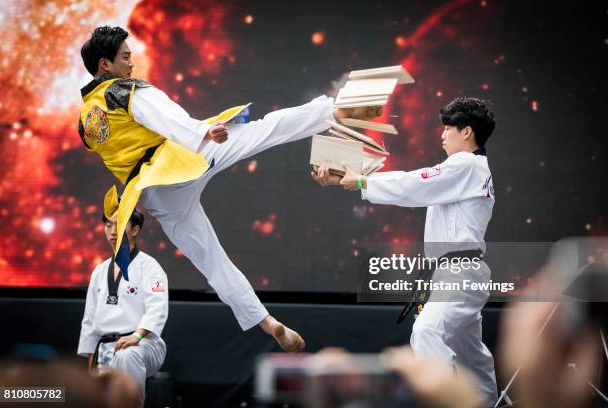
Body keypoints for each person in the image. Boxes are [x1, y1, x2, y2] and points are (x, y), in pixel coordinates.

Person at [78, 26, 379, 352]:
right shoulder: (122, 90)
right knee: (264, 130)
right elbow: (163, 115)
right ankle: (332, 111)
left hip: (154, 191)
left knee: (211, 261)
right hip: (182, 158)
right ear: (105, 65)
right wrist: (203, 133)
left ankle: (267, 322)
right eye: (125, 58)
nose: (131, 64)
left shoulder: (85, 120)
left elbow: (117, 148)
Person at [312, 97, 498, 404]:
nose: (442, 135)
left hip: (458, 272)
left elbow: (414, 185)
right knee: (471, 352)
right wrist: (353, 178)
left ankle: (443, 401)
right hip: (455, 271)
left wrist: (361, 181)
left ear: (467, 132)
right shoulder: (470, 169)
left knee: (427, 332)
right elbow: (416, 185)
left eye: (448, 128)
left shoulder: (464, 165)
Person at [78, 191, 168, 404]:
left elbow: (158, 308)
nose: (112, 231)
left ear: (135, 230)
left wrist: (136, 337)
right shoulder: (99, 271)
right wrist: (91, 361)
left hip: (143, 343)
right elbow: (90, 320)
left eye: (119, 225)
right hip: (106, 345)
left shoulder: (150, 267)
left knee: (127, 356)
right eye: (108, 225)